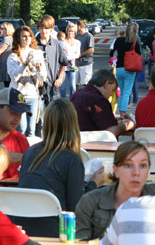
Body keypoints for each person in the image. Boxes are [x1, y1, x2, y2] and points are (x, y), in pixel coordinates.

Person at [16, 99, 104, 236]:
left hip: (22, 226)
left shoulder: (30, 152)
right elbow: (77, 208)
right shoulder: (72, 159)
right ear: (74, 124)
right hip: (57, 230)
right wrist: (94, 184)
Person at [71, 69, 135, 137]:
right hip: (93, 143)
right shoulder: (98, 100)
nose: (111, 94)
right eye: (112, 90)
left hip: (75, 141)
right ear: (107, 84)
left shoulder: (77, 94)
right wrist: (126, 125)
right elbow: (110, 133)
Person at [7, 25, 46, 137]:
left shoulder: (37, 53)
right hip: (17, 95)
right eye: (24, 36)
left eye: (29, 36)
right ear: (18, 38)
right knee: (21, 128)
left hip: (32, 96)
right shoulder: (13, 56)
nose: (27, 38)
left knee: (31, 130)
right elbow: (13, 76)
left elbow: (43, 78)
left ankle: (30, 154)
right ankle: (19, 153)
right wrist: (25, 64)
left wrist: (39, 70)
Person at [35, 14, 68, 104]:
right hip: (37, 88)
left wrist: (60, 78)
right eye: (41, 28)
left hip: (53, 87)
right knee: (40, 117)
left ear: (51, 28)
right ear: (38, 28)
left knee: (54, 116)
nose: (43, 31)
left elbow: (64, 62)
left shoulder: (55, 44)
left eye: (46, 28)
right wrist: (36, 77)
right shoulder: (33, 45)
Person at [110, 22, 141, 114]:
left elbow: (112, 53)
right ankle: (123, 113)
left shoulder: (119, 40)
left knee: (122, 92)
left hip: (119, 68)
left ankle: (121, 113)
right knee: (127, 92)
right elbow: (139, 55)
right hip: (130, 69)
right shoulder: (135, 43)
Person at [0, 21, 15, 88]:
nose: (0, 30)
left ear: (7, 30)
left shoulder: (7, 39)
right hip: (10, 64)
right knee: (10, 85)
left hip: (6, 65)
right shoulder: (12, 38)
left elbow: (0, 51)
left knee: (8, 85)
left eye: (2, 28)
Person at [59, 23, 80, 99]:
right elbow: (60, 53)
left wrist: (69, 57)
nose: (70, 33)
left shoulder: (77, 42)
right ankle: (63, 103)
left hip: (72, 66)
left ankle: (72, 102)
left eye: (72, 31)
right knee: (62, 88)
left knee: (72, 86)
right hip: (63, 67)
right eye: (69, 31)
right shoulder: (62, 42)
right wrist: (66, 58)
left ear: (75, 32)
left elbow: (77, 54)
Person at [75, 19, 95, 86]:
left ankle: (86, 96)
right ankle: (76, 96)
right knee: (75, 83)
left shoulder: (89, 36)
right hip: (76, 63)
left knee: (85, 83)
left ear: (79, 27)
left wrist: (80, 54)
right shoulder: (76, 36)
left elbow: (91, 49)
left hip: (86, 63)